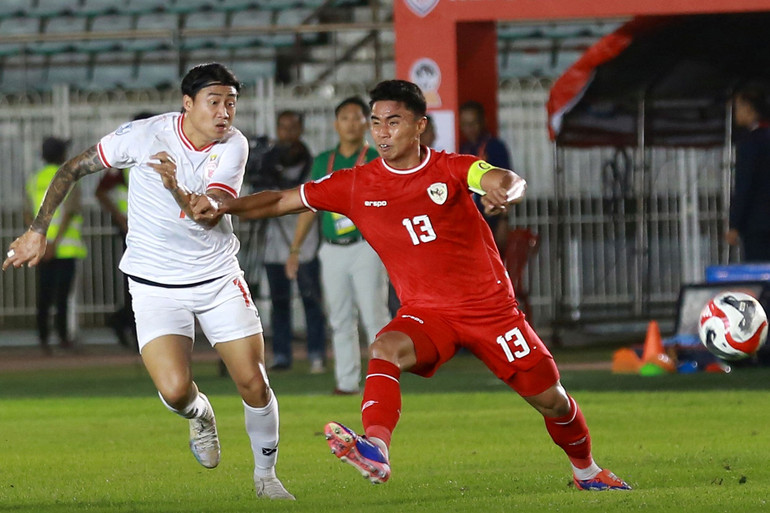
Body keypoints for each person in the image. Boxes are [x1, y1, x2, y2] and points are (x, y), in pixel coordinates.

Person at [190, 79, 631, 491]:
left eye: (394, 121)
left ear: (420, 125)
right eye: (376, 122)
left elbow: (502, 179)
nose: (382, 132)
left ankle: (587, 471)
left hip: (491, 312)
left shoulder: (451, 168)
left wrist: (505, 192)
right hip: (427, 312)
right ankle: (376, 449)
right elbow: (285, 199)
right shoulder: (356, 184)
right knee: (385, 348)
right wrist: (226, 206)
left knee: (552, 400)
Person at [4, 63, 294, 500]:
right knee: (176, 390)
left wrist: (175, 186)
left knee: (253, 381)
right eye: (214, 102)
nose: (224, 113)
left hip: (216, 278)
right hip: (154, 283)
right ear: (187, 104)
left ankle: (266, 477)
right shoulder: (142, 135)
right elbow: (71, 170)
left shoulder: (233, 145)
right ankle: (200, 415)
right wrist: (38, 230)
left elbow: (208, 210)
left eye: (231, 103)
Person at [285, 97, 390, 395]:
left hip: (366, 246)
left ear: (366, 124)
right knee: (340, 318)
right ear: (336, 124)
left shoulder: (375, 159)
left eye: (357, 118)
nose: (351, 123)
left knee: (374, 316)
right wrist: (295, 249)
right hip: (331, 248)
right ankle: (346, 382)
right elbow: (309, 207)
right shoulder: (323, 161)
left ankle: (383, 381)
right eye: (345, 117)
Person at [246, 110, 327, 372]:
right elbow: (252, 203)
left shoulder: (311, 163)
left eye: (293, 127)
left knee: (311, 300)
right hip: (273, 245)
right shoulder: (268, 163)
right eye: (283, 127)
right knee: (279, 302)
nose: (287, 133)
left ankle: (316, 353)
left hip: (305, 243)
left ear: (301, 129)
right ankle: (281, 356)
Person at [95, 111, 155, 349]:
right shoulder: (127, 158)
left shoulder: (166, 155)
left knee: (153, 283)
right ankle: (127, 324)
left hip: (156, 230)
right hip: (135, 232)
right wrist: (121, 218)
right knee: (138, 283)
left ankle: (126, 323)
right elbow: (100, 191)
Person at [24, 136, 87, 354]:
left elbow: (26, 213)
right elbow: (69, 213)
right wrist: (54, 242)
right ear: (61, 155)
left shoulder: (34, 179)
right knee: (62, 297)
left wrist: (40, 238)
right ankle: (63, 338)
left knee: (44, 295)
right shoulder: (68, 178)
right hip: (65, 248)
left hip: (40, 249)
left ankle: (43, 339)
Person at [459, 100, 512, 251]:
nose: (469, 129)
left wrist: (504, 220)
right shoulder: (463, 149)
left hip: (492, 217)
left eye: (473, 123)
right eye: (465, 124)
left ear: (483, 122)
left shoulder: (495, 147)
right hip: (470, 222)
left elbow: (506, 183)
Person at [725, 83, 770, 261]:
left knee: (759, 274)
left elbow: (745, 184)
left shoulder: (751, 143)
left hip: (757, 224)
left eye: (737, 108)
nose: (736, 113)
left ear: (748, 108)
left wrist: (735, 224)